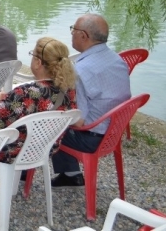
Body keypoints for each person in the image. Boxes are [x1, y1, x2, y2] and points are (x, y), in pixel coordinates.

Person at [51, 14, 131, 187]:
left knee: (47, 125)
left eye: (73, 30)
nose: (71, 33)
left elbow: (79, 120)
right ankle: (71, 174)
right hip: (113, 131)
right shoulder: (118, 60)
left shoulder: (80, 70)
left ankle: (22, 173)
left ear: (83, 36)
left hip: (91, 138)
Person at [0, 37, 77, 164]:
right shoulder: (68, 89)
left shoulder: (25, 92)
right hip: (46, 148)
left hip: (12, 151)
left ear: (38, 62)